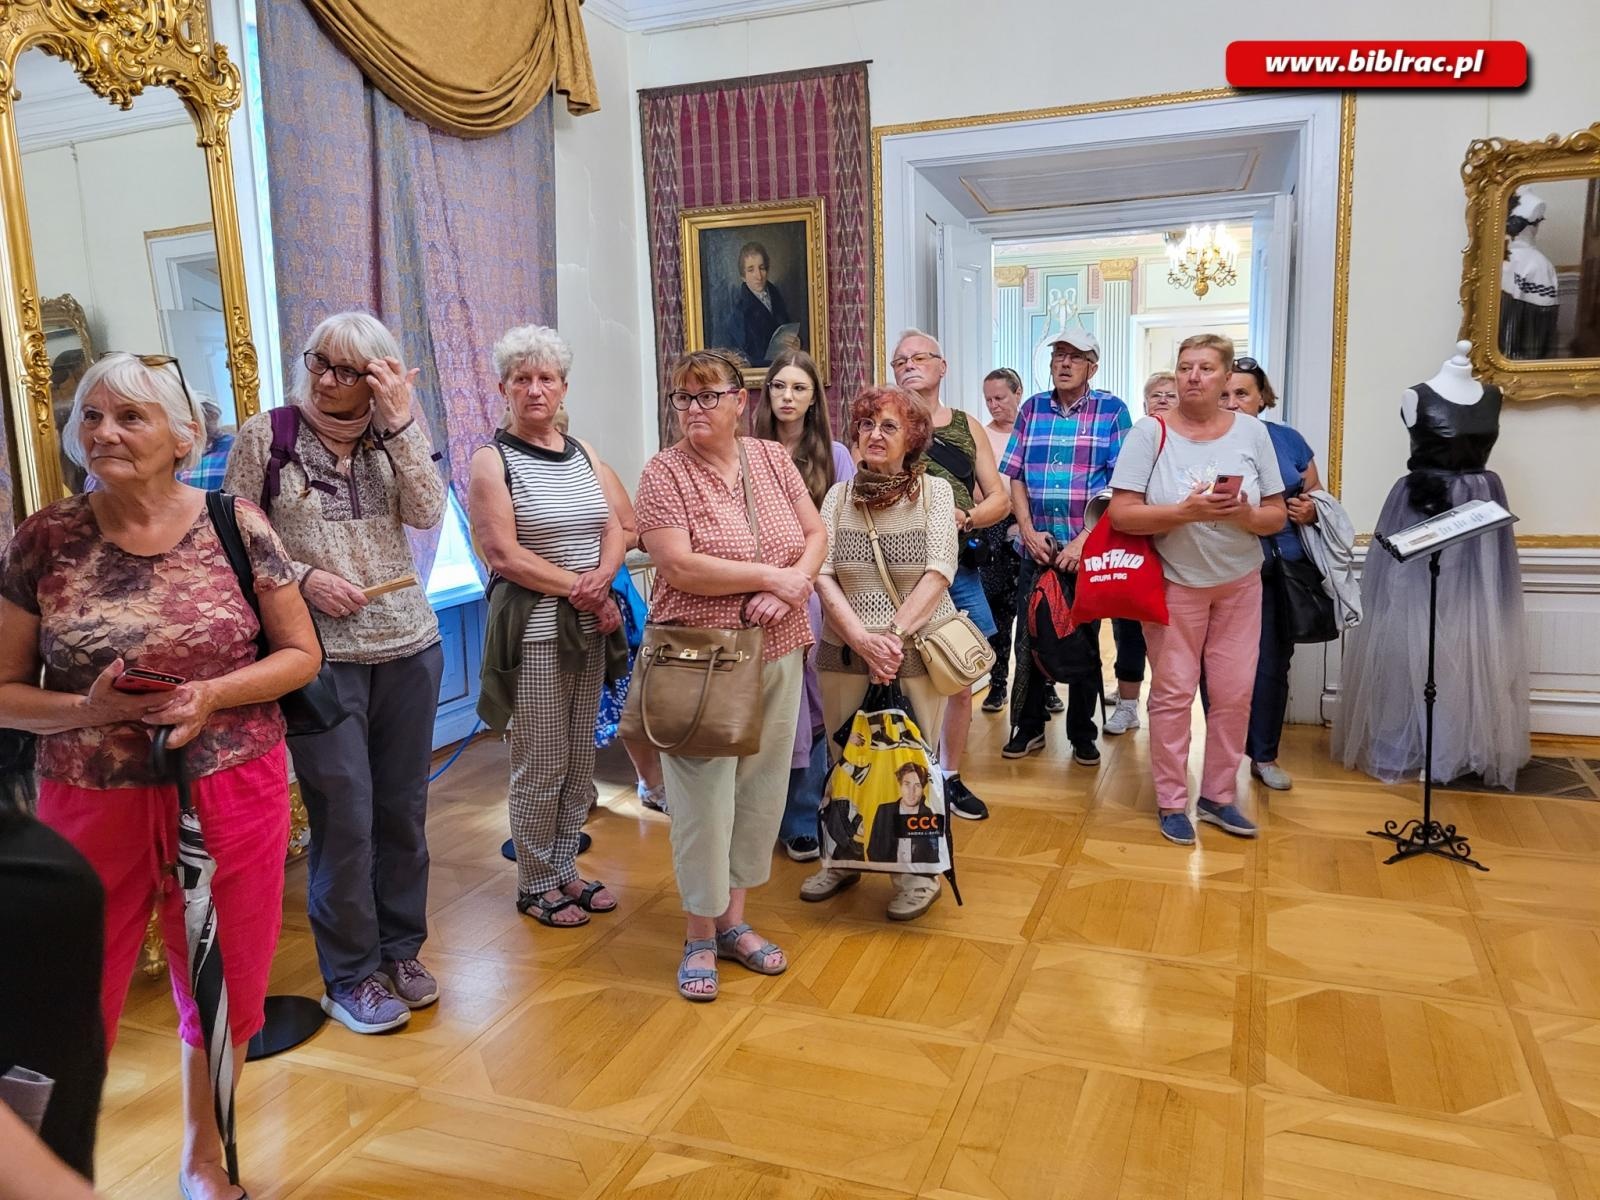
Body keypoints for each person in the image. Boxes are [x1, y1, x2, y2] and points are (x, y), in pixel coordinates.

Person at [0, 352, 320, 1200]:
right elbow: (1, 695)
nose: (103, 431)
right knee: (67, 996)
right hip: (85, 797)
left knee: (224, 983)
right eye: (91, 416)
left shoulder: (235, 522)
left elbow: (300, 655)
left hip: (229, 787)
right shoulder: (45, 538)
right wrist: (87, 712)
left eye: (129, 417)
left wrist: (211, 692)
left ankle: (204, 1160)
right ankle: (53, 1175)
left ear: (183, 436)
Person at [225, 312, 448, 1036]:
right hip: (316, 658)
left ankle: (400, 951)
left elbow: (427, 510)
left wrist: (402, 420)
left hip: (409, 646)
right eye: (321, 361)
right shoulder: (270, 435)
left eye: (348, 370)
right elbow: (232, 541)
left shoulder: (394, 436)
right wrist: (305, 575)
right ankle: (351, 975)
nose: (327, 379)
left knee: (402, 813)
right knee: (346, 819)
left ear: (378, 377)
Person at [633, 349, 826, 1001]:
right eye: (682, 399)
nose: (693, 409)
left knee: (761, 790)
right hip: (702, 654)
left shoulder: (771, 458)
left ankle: (733, 925)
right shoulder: (663, 472)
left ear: (740, 402)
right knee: (702, 799)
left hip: (780, 646)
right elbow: (679, 565)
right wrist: (771, 577)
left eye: (706, 396)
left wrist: (794, 586)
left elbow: (815, 532)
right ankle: (696, 934)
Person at [468, 326, 627, 930]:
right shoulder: (493, 459)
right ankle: (534, 882)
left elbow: (613, 524)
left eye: (546, 378)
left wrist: (605, 576)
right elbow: (502, 554)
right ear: (504, 389)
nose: (535, 389)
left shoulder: (581, 449)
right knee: (540, 759)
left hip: (589, 623)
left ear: (563, 387)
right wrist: (584, 590)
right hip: (534, 628)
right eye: (522, 379)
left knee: (579, 757)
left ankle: (564, 866)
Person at [1108, 334, 1287, 846]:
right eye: (1185, 367)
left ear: (1226, 377)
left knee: (1233, 694)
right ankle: (1171, 801)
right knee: (1171, 694)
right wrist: (1184, 512)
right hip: (1173, 584)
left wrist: (1246, 514)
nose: (1192, 376)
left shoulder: (1252, 432)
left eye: (1206, 368)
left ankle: (1217, 797)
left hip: (1239, 584)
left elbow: (1275, 515)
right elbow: (1122, 512)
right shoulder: (1150, 431)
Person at [800, 384, 956, 920]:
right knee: (845, 758)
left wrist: (887, 637)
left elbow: (939, 570)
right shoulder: (837, 497)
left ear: (912, 438)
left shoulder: (936, 494)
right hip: (844, 651)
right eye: (867, 425)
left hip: (915, 650)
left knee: (914, 764)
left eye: (889, 426)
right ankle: (843, 858)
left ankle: (920, 871)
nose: (875, 435)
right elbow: (820, 572)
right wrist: (860, 639)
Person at [890, 330, 1009, 821]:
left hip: (955, 569)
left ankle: (948, 776)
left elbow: (998, 498)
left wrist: (966, 519)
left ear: (943, 366)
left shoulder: (967, 426)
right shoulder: (884, 421)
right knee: (900, 679)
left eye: (920, 357)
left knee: (959, 677)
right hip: (894, 573)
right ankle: (903, 776)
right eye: (900, 360)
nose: (909, 365)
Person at [998, 330, 1131, 764]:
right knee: (1031, 639)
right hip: (1036, 548)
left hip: (1085, 552)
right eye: (1058, 354)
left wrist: (1084, 541)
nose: (1064, 363)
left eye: (1075, 356)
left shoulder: (1112, 411)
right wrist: (1027, 529)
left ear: (1093, 366)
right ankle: (1030, 727)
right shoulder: (1032, 409)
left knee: (1083, 643)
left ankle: (1082, 734)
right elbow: (1015, 474)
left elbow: (1122, 485)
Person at [753, 347, 856, 860]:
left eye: (798, 388)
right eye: (778, 386)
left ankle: (802, 816)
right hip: (757, 592)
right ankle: (760, 814)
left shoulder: (834, 456)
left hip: (815, 591)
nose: (787, 397)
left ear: (814, 399)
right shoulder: (746, 449)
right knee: (771, 705)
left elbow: (841, 529)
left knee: (812, 706)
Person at [1220, 357, 1321, 791]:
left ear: (1263, 397)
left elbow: (1316, 493)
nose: (1233, 402)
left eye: (1242, 393)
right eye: (1225, 394)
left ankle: (1264, 755)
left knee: (1271, 668)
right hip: (1221, 569)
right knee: (1219, 669)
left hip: (1280, 569)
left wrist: (1312, 508)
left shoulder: (1288, 440)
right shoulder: (1202, 439)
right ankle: (1219, 760)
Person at [1101, 371, 1180, 735]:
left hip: (1178, 555)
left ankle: (1165, 706)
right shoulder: (1133, 440)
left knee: (1171, 638)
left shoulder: (1190, 442)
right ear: (1144, 404)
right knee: (1127, 630)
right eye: (1155, 395)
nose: (1162, 400)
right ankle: (1129, 705)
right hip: (1132, 548)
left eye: (1170, 394)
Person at [978, 367, 1023, 714]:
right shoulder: (983, 435)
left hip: (1030, 523)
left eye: (1000, 398)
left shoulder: (1032, 430)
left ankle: (1041, 686)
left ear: (1017, 392)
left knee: (1036, 611)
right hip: (992, 526)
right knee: (999, 610)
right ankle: (997, 684)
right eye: (989, 399)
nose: (994, 406)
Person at [729, 242, 793, 367]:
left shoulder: (775, 294)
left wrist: (796, 342)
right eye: (751, 270)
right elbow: (743, 357)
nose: (758, 276)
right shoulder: (740, 311)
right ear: (743, 276)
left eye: (762, 268)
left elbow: (787, 326)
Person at [866, 763, 940, 865]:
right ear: (900, 785)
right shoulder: (884, 811)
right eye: (907, 784)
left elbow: (933, 855)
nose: (911, 791)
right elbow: (873, 849)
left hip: (917, 873)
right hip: (886, 870)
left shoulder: (929, 815)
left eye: (917, 785)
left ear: (923, 789)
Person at [178, 399, 233, 490]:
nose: (208, 420)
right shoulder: (183, 449)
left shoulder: (232, 445)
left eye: (212, 414)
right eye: (203, 414)